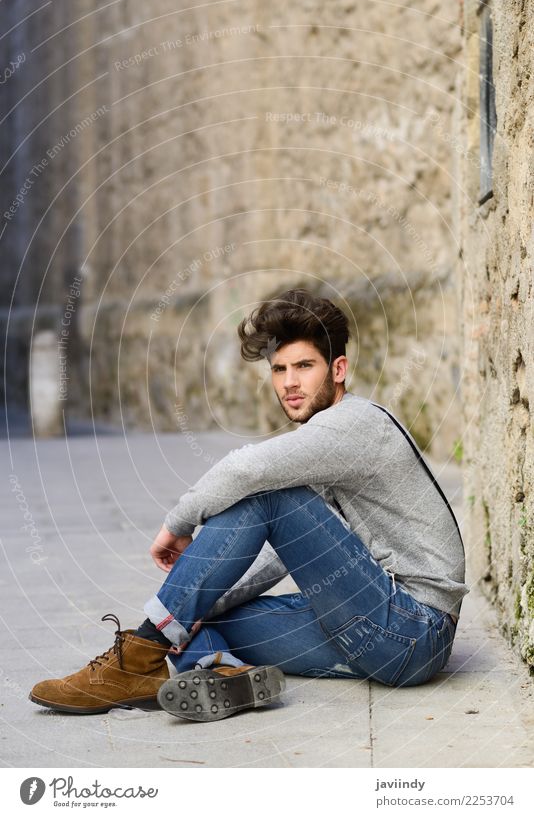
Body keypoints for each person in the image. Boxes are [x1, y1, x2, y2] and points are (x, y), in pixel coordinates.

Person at [29, 287, 469, 722]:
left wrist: (177, 523)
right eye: (279, 370)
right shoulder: (325, 444)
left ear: (338, 369)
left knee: (269, 496)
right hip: (377, 630)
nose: (290, 383)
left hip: (411, 625)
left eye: (304, 366)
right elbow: (283, 554)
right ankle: (218, 672)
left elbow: (246, 471)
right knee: (203, 622)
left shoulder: (353, 425)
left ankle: (137, 655)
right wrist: (196, 607)